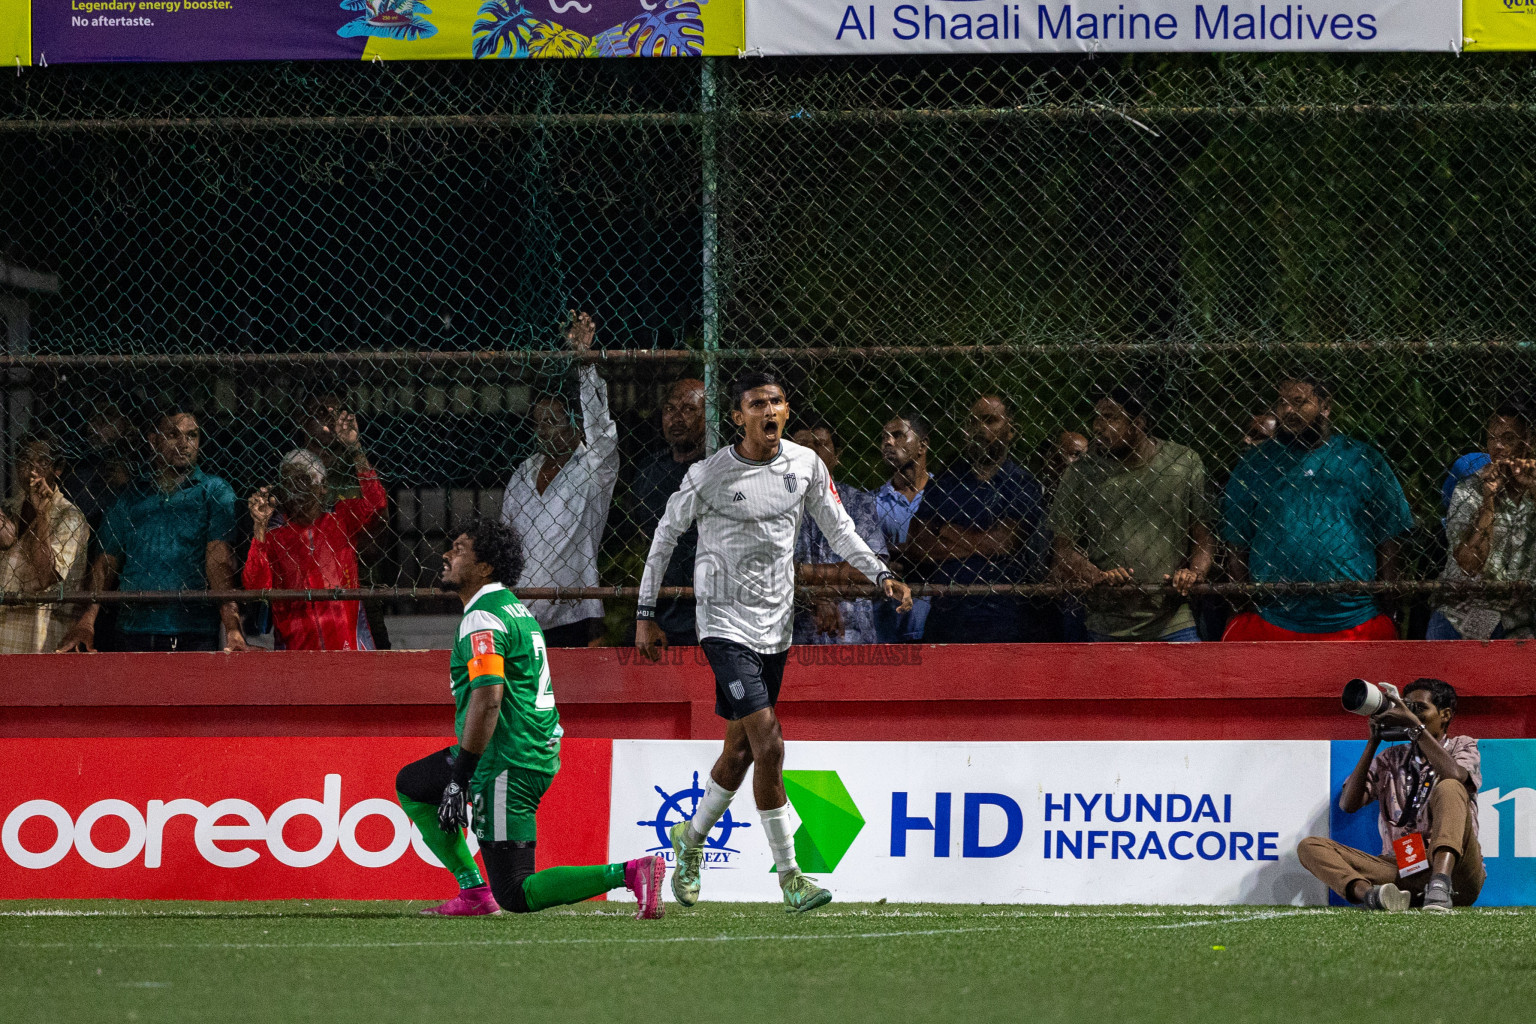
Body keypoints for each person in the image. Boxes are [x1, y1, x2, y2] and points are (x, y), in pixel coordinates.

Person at [634, 371, 912, 913]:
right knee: (771, 743)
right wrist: (645, 613)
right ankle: (791, 877)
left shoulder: (806, 466)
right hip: (723, 625)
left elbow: (839, 530)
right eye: (757, 403)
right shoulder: (708, 475)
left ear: (787, 412)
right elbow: (664, 536)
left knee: (738, 752)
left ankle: (687, 844)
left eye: (778, 402)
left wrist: (880, 576)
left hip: (774, 627)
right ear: (738, 416)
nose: (769, 410)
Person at [394, 518, 664, 918]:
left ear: (485, 567)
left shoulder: (482, 617)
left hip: (507, 760)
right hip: (521, 749)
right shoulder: (513, 609)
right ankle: (472, 891)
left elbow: (488, 699)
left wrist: (460, 777)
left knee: (516, 894)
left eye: (459, 549)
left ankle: (629, 873)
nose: (446, 555)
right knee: (413, 783)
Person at [1221, 375, 1413, 641]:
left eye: (1299, 402)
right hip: (1274, 616)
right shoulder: (1256, 464)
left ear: (1324, 406)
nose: (1288, 410)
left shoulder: (1361, 459)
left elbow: (1389, 536)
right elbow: (1237, 542)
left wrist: (1389, 607)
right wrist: (1241, 608)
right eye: (1282, 402)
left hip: (1356, 618)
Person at [56, 411, 247, 653]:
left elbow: (218, 559)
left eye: (192, 435)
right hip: (133, 628)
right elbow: (106, 562)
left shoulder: (214, 491)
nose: (184, 444)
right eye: (173, 435)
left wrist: (232, 627)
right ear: (154, 441)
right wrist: (87, 620)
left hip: (193, 628)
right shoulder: (130, 495)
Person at [1299, 678, 1484, 912]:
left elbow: (1455, 775)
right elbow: (1348, 804)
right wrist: (1373, 741)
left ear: (1445, 715)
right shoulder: (1391, 758)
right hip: (1404, 870)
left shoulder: (1462, 746)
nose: (1409, 713)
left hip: (1458, 874)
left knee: (1449, 787)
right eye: (1405, 706)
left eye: (1419, 708)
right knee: (1310, 847)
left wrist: (1415, 727)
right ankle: (1373, 896)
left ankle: (1439, 885)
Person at [1050, 387, 1214, 642]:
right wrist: (1097, 575)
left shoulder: (1182, 463)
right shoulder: (1082, 473)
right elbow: (1062, 548)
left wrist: (1194, 573)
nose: (1097, 426)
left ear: (1137, 423)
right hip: (1107, 622)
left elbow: (1202, 535)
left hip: (1171, 620)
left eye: (1110, 417)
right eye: (1096, 417)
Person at [501, 313, 619, 648]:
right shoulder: (524, 472)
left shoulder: (595, 470)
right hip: (519, 613)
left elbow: (602, 430)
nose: (543, 429)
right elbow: (506, 534)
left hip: (573, 614)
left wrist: (585, 365)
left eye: (552, 420)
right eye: (538, 421)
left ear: (575, 426)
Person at [907, 395, 1051, 643]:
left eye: (990, 420)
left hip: (1004, 616)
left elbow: (1002, 543)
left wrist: (947, 531)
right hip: (947, 615)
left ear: (1011, 431)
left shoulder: (1022, 483)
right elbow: (918, 544)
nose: (979, 429)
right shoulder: (946, 480)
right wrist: (981, 542)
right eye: (973, 422)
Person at [243, 413, 387, 651]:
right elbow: (256, 587)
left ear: (322, 488)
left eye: (304, 479)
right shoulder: (275, 537)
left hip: (348, 647)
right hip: (296, 650)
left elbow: (376, 504)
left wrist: (355, 449)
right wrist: (259, 526)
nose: (297, 488)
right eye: (289, 481)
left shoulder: (341, 519)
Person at [1429, 402, 1536, 640]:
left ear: (1528, 442)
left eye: (1508, 438)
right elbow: (1469, 563)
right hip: (1461, 620)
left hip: (1517, 626)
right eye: (1492, 438)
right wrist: (1488, 501)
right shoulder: (1470, 489)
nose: (1497, 446)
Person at [298, 390, 392, 649]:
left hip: (358, 588)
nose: (330, 419)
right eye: (320, 413)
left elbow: (378, 518)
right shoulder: (293, 471)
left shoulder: (355, 468)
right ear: (302, 421)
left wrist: (355, 447)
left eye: (336, 412)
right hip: (305, 597)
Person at [791, 422, 888, 645]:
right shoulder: (775, 505)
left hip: (852, 635)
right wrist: (815, 596)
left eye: (821, 444)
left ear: (837, 455)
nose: (811, 452)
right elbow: (768, 572)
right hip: (792, 636)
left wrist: (803, 575)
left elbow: (870, 570)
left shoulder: (859, 502)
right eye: (803, 445)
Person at [629, 378, 707, 647]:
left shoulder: (718, 469)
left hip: (710, 602)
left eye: (688, 410)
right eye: (670, 409)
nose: (676, 418)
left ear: (709, 415)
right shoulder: (649, 471)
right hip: (662, 603)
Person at [0, 433, 89, 653]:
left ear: (57, 469)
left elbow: (44, 577)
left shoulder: (70, 516)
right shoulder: (11, 508)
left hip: (39, 634)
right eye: (25, 461)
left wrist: (42, 516)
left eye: (42, 462)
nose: (32, 470)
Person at [874, 412, 932, 644]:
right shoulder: (872, 502)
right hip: (888, 620)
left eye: (898, 435)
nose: (888, 442)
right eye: (884, 437)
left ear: (922, 445)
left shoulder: (943, 495)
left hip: (937, 614)